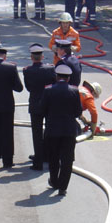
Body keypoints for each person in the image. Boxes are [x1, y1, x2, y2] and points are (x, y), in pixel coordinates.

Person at [40, 64, 83, 196]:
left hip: (52, 129)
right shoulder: (75, 91)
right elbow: (78, 112)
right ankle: (63, 187)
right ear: (68, 78)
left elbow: (42, 109)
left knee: (53, 157)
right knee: (67, 159)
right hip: (69, 130)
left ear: (56, 77)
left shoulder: (48, 90)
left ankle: (54, 181)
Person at [23, 43, 56, 170]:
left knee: (36, 133)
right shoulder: (50, 69)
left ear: (32, 57)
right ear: (42, 57)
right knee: (49, 131)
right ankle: (48, 156)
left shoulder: (27, 71)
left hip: (35, 104)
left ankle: (38, 161)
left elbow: (28, 88)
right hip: (49, 104)